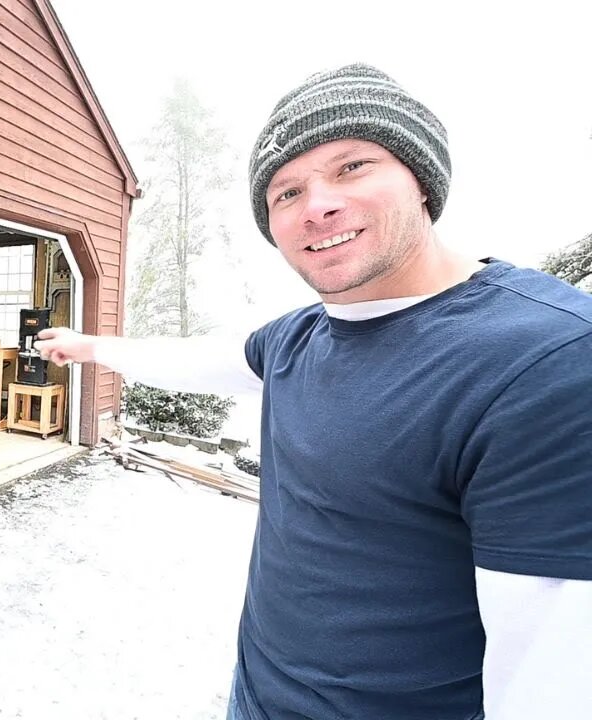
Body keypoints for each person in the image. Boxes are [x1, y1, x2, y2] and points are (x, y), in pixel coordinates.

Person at [35, 63, 592, 719]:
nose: (318, 205)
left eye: (352, 166)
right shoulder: (298, 338)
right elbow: (202, 359)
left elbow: (553, 672)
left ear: (422, 178)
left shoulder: (543, 360)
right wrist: (92, 347)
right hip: (256, 696)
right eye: (286, 192)